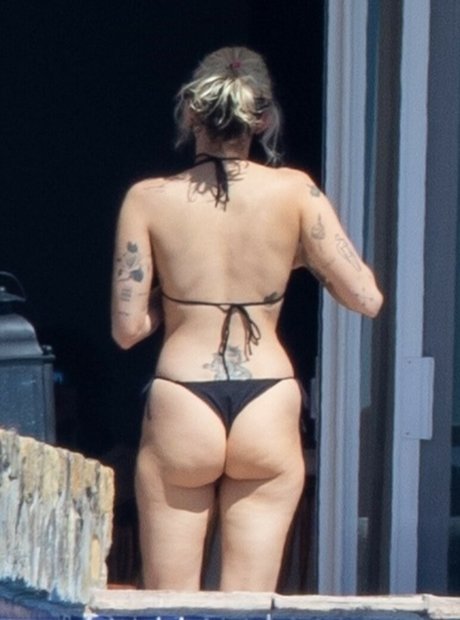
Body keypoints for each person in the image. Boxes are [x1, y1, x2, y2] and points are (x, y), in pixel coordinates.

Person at [111, 46, 383, 592]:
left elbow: (128, 330)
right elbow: (365, 297)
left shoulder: (148, 199)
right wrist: (296, 260)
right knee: (249, 604)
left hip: (184, 394)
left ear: (191, 113)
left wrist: (177, 295)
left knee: (169, 603)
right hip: (268, 396)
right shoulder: (296, 191)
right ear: (262, 119)